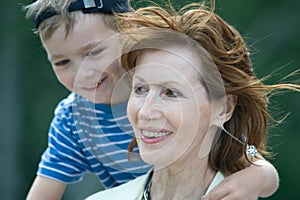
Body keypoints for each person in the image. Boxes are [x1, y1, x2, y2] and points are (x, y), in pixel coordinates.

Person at [24, 0, 280, 199]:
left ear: (128, 35)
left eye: (93, 52)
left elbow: (256, 164)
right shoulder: (72, 120)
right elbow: (44, 191)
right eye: (62, 62)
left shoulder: (189, 90)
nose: (83, 73)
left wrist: (253, 180)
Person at [86, 1, 300, 199]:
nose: (144, 112)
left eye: (170, 92)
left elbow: (249, 149)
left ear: (224, 109)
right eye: (140, 89)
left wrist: (262, 171)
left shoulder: (243, 152)